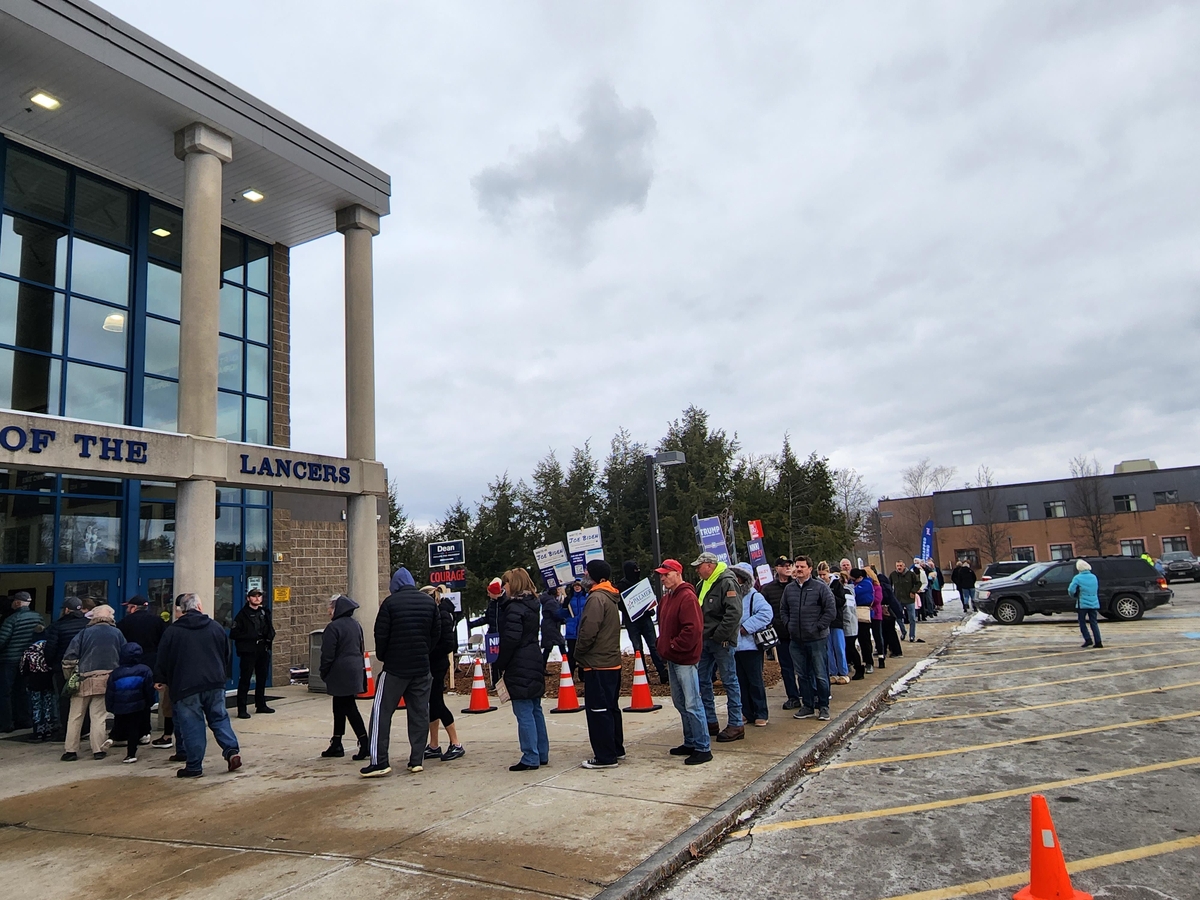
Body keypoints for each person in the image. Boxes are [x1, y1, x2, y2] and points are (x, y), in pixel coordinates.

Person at [361, 568, 440, 778]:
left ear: (394, 585)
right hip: (421, 667)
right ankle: (416, 760)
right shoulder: (428, 603)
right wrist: (424, 651)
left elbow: (381, 635)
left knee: (381, 712)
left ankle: (379, 761)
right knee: (420, 713)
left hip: (395, 668)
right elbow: (436, 634)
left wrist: (386, 657)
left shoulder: (390, 603)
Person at [155, 594, 241, 777]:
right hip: (214, 681)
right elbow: (226, 652)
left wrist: (160, 678)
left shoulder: (173, 631)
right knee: (219, 718)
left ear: (181, 610)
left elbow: (163, 658)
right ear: (200, 607)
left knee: (193, 724)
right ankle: (232, 751)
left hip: (186, 686)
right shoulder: (215, 627)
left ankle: (194, 766)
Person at [655, 559, 710, 765]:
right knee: (681, 703)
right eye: (661, 575)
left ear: (678, 573)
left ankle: (703, 746)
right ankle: (691, 741)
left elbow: (693, 630)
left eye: (666, 574)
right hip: (673, 658)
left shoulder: (687, 597)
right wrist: (663, 644)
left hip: (685, 659)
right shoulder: (668, 598)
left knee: (692, 702)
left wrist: (673, 646)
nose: (663, 578)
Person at [495, 568, 549, 771]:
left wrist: (501, 662)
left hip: (519, 662)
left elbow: (510, 638)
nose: (503, 587)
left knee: (523, 709)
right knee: (535, 708)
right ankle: (541, 752)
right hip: (533, 657)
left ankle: (530, 756)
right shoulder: (532, 605)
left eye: (506, 583)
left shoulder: (515, 608)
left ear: (514, 584)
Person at [575, 559, 624, 769]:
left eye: (588, 573)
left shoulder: (597, 598)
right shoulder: (610, 596)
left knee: (598, 710)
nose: (584, 576)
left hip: (598, 663)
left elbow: (588, 631)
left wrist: (578, 652)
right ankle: (615, 748)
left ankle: (605, 756)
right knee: (611, 708)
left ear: (598, 577)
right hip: (610, 662)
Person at [61, 604, 124, 761]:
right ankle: (98, 750)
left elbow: (69, 657)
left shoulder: (84, 633)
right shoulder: (117, 633)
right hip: (105, 680)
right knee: (99, 716)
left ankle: (71, 750)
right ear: (110, 617)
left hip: (83, 678)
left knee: (75, 715)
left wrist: (70, 676)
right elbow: (124, 654)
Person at [694, 551, 744, 742]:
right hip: (705, 640)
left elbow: (734, 613)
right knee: (702, 679)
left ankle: (736, 723)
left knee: (729, 680)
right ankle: (710, 720)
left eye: (699, 566)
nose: (697, 570)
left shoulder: (727, 582)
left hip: (720, 641)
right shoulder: (703, 584)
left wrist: (719, 635)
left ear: (710, 565)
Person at [781, 556, 837, 721]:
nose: (798, 569)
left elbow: (830, 610)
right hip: (796, 640)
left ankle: (824, 706)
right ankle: (807, 705)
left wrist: (818, 627)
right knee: (802, 674)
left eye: (802, 567)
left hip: (816, 639)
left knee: (820, 674)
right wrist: (789, 625)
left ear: (809, 569)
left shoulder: (820, 588)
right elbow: (783, 610)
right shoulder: (789, 589)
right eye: (796, 567)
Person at [318, 594, 370, 761]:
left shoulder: (333, 628)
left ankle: (364, 742)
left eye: (331, 608)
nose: (328, 611)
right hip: (354, 669)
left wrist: (323, 671)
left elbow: (327, 654)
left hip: (339, 671)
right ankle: (337, 741)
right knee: (339, 706)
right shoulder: (356, 625)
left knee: (349, 707)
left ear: (337, 609)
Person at [423, 586, 465, 763]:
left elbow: (448, 644)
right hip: (430, 664)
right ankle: (434, 744)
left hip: (438, 664)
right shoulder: (433, 614)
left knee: (438, 703)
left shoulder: (443, 615)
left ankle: (456, 743)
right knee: (432, 703)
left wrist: (429, 650)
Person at [732, 563, 774, 726]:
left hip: (751, 646)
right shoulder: (730, 596)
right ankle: (747, 712)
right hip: (734, 646)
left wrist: (746, 627)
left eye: (737, 577)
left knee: (755, 680)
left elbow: (766, 613)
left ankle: (761, 712)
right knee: (740, 681)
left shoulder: (754, 596)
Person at [616, 561, 669, 684]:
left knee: (654, 646)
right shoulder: (621, 586)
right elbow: (620, 604)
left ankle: (663, 673)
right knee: (638, 649)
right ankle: (643, 675)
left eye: (638, 569)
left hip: (645, 619)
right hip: (632, 621)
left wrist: (649, 609)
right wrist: (633, 611)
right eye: (634, 570)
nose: (637, 572)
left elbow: (648, 598)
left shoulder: (642, 583)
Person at [0, 592, 44, 733]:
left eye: (13, 601)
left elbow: (2, 641)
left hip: (10, 660)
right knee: (22, 691)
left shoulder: (12, 619)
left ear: (18, 603)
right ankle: (25, 720)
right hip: (28, 660)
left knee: (5, 692)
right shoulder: (38, 617)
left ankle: (6, 723)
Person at [760, 557, 800, 709]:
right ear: (776, 568)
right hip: (782, 635)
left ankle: (809, 693)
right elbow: (763, 610)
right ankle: (793, 696)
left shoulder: (798, 585)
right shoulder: (768, 589)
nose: (788, 568)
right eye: (784, 566)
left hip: (800, 634)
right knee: (787, 668)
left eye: (790, 565)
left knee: (804, 667)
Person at [45, 597, 88, 738]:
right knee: (84, 698)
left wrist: (50, 664)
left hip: (63, 668)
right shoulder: (88, 625)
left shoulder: (57, 626)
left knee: (65, 699)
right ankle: (85, 728)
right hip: (85, 666)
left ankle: (68, 730)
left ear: (66, 610)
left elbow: (50, 648)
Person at [105, 642, 155, 763]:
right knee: (134, 728)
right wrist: (149, 702)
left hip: (120, 705)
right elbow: (148, 688)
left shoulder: (115, 673)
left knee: (120, 722)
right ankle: (130, 754)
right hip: (138, 705)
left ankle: (113, 737)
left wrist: (110, 706)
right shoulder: (144, 670)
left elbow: (110, 691)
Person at [230, 588, 276, 719]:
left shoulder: (264, 612)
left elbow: (269, 628)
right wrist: (250, 636)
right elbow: (234, 633)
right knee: (245, 679)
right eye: (254, 596)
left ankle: (261, 704)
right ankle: (242, 709)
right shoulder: (242, 615)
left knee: (262, 678)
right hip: (248, 651)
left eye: (259, 596)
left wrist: (269, 638)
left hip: (263, 649)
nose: (257, 598)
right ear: (248, 598)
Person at [19, 637, 57, 741]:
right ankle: (48, 729)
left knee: (36, 706)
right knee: (48, 704)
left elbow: (23, 669)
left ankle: (38, 731)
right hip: (48, 680)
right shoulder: (49, 649)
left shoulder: (29, 651)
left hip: (34, 681)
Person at [1069, 560, 1103, 649]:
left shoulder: (1077, 578)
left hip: (1082, 603)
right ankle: (1098, 641)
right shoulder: (1093, 577)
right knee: (1094, 622)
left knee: (1082, 622)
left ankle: (1088, 639)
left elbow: (1071, 590)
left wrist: (1074, 596)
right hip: (1094, 602)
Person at [890, 560, 921, 642]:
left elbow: (918, 583)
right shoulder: (893, 575)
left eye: (900, 566)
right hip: (898, 599)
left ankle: (912, 635)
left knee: (912, 618)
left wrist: (913, 591)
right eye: (897, 566)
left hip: (909, 599)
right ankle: (903, 631)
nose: (899, 567)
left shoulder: (911, 574)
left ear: (904, 566)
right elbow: (889, 585)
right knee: (898, 617)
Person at [561, 580, 588, 676]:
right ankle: (570, 674)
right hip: (571, 630)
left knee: (583, 653)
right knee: (571, 653)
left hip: (583, 629)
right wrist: (564, 607)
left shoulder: (587, 597)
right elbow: (562, 614)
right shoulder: (569, 598)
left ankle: (583, 674)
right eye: (575, 586)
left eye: (579, 585)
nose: (577, 587)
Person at [539, 585, 567, 675]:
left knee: (548, 647)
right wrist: (564, 618)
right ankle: (567, 664)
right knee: (561, 643)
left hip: (548, 625)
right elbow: (557, 614)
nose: (559, 591)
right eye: (558, 589)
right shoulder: (551, 602)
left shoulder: (549, 600)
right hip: (551, 626)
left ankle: (542, 667)